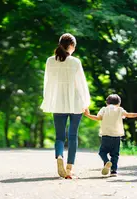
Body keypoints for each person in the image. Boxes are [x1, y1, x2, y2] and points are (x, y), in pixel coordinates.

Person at [40, 33, 90, 179]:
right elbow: (82, 84)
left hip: (58, 102)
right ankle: (69, 169)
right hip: (75, 103)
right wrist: (86, 102)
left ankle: (59, 156)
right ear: (72, 46)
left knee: (60, 137)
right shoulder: (75, 62)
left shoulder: (50, 61)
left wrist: (48, 99)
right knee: (73, 136)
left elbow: (47, 82)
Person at [84, 94, 137, 176]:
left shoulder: (104, 109)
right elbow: (128, 115)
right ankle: (113, 171)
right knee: (115, 154)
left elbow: (98, 118)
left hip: (106, 136)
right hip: (116, 137)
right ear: (119, 103)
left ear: (107, 103)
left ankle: (106, 162)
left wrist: (88, 115)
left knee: (102, 152)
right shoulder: (120, 109)